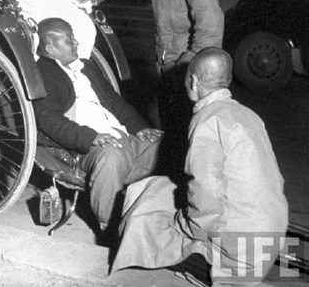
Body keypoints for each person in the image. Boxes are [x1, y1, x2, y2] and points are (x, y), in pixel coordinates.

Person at [111, 48, 288, 286]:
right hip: (273, 231)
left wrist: (182, 226)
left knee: (146, 206)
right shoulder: (248, 114)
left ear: (193, 82)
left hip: (240, 250)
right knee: (161, 188)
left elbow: (206, 196)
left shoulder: (207, 120)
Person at [77, 0, 224, 171]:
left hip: (190, 64)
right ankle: (169, 177)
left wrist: (190, 66)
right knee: (166, 127)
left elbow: (210, 24)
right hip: (164, 59)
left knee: (193, 133)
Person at [33, 17, 163, 236]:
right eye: (69, 40)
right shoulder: (43, 74)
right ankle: (110, 229)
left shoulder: (87, 67)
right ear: (50, 48)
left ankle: (156, 213)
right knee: (110, 159)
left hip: (119, 135)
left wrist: (139, 127)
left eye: (73, 38)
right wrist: (90, 137)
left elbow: (113, 101)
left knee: (164, 144)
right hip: (86, 146)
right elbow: (48, 119)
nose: (76, 43)